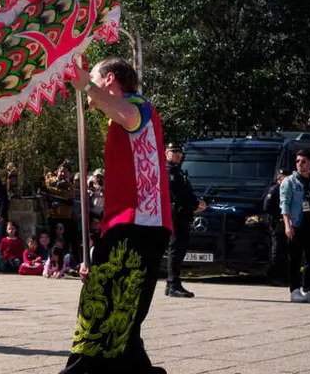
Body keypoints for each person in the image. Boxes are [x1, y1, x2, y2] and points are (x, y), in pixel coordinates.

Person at [61, 58, 172, 374]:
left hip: (139, 225)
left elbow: (124, 113)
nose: (88, 92)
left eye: (95, 79)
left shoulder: (138, 107)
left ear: (109, 80)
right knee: (123, 320)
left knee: (102, 312)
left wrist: (80, 78)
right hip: (131, 227)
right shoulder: (119, 120)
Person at [280, 149, 310, 303]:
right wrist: (288, 225)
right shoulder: (289, 182)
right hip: (296, 223)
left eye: (303, 161)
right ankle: (294, 290)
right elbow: (285, 204)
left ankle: (308, 288)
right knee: (294, 258)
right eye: (297, 161)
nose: (300, 164)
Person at [163, 142, 205, 298]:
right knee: (175, 249)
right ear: (166, 152)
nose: (178, 154)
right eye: (174, 151)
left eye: (179, 151)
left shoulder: (177, 171)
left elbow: (186, 191)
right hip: (175, 215)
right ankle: (173, 284)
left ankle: (172, 283)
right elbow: (178, 194)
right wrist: (195, 204)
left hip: (182, 214)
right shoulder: (168, 171)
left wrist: (196, 202)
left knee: (180, 249)